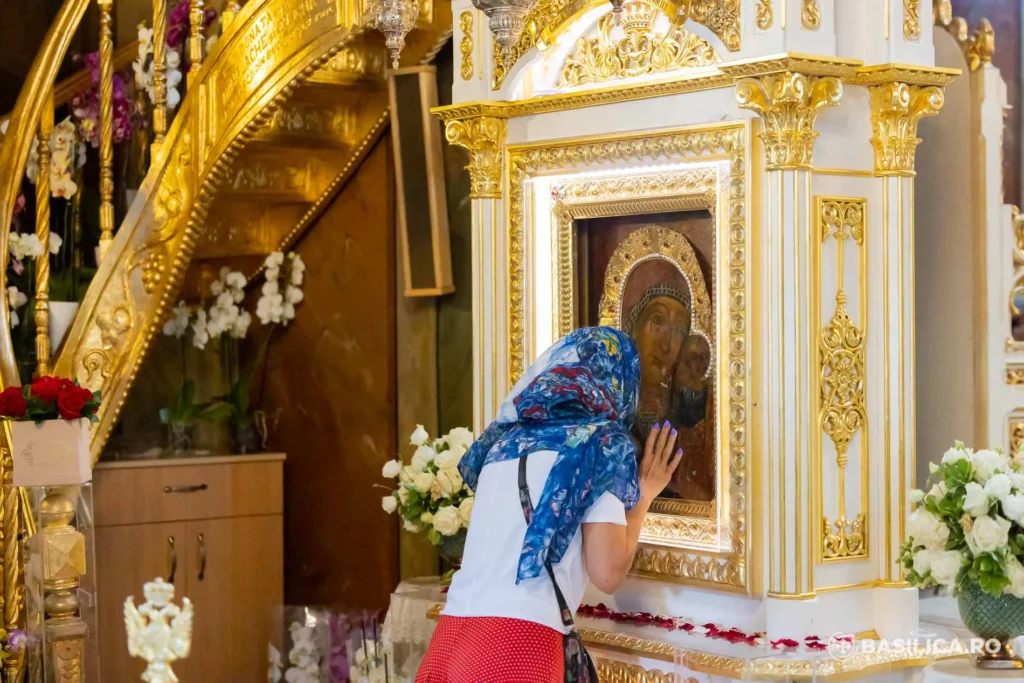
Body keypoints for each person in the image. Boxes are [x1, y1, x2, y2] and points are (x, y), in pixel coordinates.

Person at [416, 326, 683, 683]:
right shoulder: (597, 446)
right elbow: (606, 573)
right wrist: (644, 495)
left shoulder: (503, 443)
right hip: (515, 644)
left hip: (449, 639)